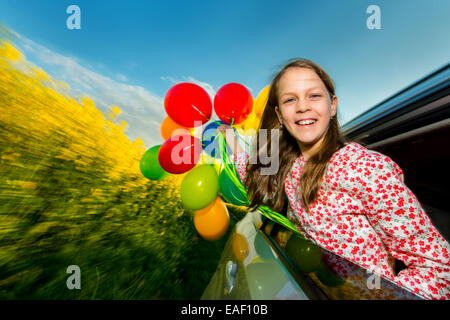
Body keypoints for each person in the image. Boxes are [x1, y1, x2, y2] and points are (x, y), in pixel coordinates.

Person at [217, 58, 450, 300]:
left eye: (314, 95)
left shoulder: (365, 167)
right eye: (290, 99)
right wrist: (230, 136)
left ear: (333, 105)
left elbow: (438, 269)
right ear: (280, 115)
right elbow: (250, 167)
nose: (302, 107)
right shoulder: (287, 167)